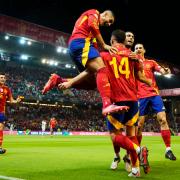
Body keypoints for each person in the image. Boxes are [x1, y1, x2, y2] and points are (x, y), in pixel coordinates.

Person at [42, 9, 129, 116]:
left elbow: (92, 65)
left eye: (111, 23)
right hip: (81, 43)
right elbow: (93, 25)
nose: (109, 24)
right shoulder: (94, 13)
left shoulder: (92, 36)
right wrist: (104, 45)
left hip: (76, 47)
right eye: (110, 20)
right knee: (102, 69)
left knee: (91, 83)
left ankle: (58, 80)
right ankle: (107, 104)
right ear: (105, 14)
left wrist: (71, 82)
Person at [134, 43, 176, 161]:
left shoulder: (151, 62)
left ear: (144, 50)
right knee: (140, 125)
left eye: (140, 48)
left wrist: (165, 71)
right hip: (141, 96)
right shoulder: (132, 63)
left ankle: (168, 149)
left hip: (154, 94)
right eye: (136, 48)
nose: (138, 49)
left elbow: (160, 69)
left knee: (163, 119)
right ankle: (137, 150)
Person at [0, 73, 22, 154]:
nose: (3, 79)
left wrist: (17, 101)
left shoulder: (7, 89)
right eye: (1, 77)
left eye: (4, 78)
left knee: (0, 128)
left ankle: (0, 147)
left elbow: (11, 100)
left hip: (1, 112)